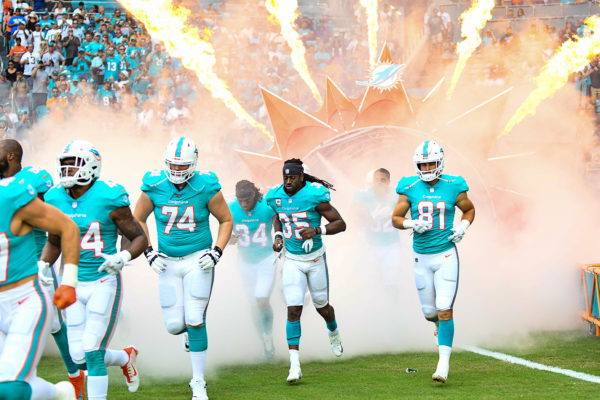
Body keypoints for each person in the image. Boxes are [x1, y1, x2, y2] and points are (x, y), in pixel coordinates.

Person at [40, 140, 148, 400]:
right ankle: (125, 357)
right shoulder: (54, 197)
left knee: (92, 349)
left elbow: (139, 237)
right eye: (64, 164)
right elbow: (55, 240)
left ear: (91, 166)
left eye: (72, 164)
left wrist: (123, 256)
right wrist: (43, 263)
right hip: (72, 282)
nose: (66, 169)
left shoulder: (109, 195)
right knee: (79, 356)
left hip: (103, 280)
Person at [132, 137, 232, 400]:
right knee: (175, 326)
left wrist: (217, 251)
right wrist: (149, 252)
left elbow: (226, 220)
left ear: (194, 164)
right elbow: (137, 219)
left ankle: (198, 380)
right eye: (172, 166)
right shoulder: (153, 184)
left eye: (182, 166)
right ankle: (189, 332)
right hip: (166, 260)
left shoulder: (206, 184)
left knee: (195, 316)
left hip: (198, 258)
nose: (177, 171)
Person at [0, 138, 86, 397]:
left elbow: (66, 227)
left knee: (11, 388)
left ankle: (68, 382)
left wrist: (69, 281)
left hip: (23, 293)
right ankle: (59, 394)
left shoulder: (15, 193)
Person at [392, 140, 475, 383]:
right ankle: (437, 325)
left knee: (444, 309)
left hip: (446, 254)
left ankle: (443, 365)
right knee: (430, 313)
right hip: (421, 256)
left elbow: (469, 209)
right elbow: (396, 217)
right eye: (423, 164)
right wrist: (410, 223)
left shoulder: (454, 185)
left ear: (440, 162)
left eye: (431, 163)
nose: (427, 168)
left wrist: (463, 226)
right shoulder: (409, 186)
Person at [264, 158, 346, 383]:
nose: (288, 181)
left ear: (301, 177)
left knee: (322, 306)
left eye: (292, 177)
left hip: (315, 259)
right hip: (292, 259)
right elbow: (277, 216)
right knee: (293, 309)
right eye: (285, 177)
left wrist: (317, 230)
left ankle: (333, 331)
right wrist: (278, 236)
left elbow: (340, 223)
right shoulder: (276, 195)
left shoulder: (314, 195)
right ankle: (294, 365)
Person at [228, 180, 277, 359]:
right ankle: (264, 341)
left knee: (262, 300)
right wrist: (228, 238)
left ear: (254, 195)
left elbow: (280, 222)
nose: (243, 204)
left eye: (247, 199)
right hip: (245, 261)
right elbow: (222, 228)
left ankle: (269, 338)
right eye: (240, 200)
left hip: (266, 259)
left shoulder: (267, 206)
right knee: (254, 304)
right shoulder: (230, 208)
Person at [352, 168, 401, 296]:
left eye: (383, 180)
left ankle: (392, 310)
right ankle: (371, 309)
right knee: (369, 282)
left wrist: (397, 215)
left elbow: (409, 219)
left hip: (391, 245)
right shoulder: (363, 196)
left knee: (391, 282)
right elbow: (355, 221)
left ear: (389, 182)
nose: (379, 183)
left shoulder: (397, 196)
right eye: (376, 180)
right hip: (371, 244)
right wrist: (372, 218)